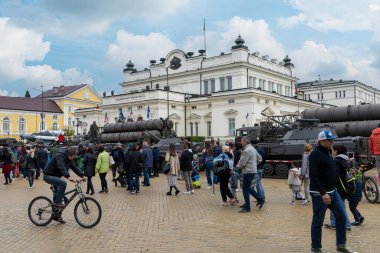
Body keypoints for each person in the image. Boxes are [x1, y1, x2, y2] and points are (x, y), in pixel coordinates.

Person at [309, 130, 357, 253]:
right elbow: (313, 175)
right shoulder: (315, 155)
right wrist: (323, 193)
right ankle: (316, 248)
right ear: (321, 141)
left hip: (333, 191)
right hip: (320, 194)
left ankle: (341, 245)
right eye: (329, 140)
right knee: (318, 221)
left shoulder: (329, 152)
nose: (332, 142)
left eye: (332, 140)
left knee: (341, 216)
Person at [43, 147, 86, 224]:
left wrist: (82, 175)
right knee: (63, 183)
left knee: (59, 196)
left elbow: (74, 167)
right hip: (48, 176)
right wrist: (68, 176)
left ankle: (57, 216)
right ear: (70, 155)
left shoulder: (69, 159)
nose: (73, 158)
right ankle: (58, 203)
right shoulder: (60, 156)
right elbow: (61, 166)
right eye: (73, 156)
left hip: (55, 177)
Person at [325, 145, 352, 231]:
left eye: (332, 150)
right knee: (337, 205)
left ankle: (346, 224)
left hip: (338, 187)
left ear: (336, 151)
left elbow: (335, 176)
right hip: (346, 187)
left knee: (339, 206)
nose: (331, 152)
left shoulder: (337, 161)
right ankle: (333, 223)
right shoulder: (346, 159)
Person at [238, 136, 264, 213]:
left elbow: (242, 163)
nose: (241, 142)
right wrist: (253, 165)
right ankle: (260, 199)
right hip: (252, 171)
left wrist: (239, 167)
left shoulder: (246, 150)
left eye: (242, 141)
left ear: (246, 142)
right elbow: (260, 159)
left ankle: (247, 207)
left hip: (248, 171)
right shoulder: (253, 148)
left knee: (245, 189)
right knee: (248, 188)